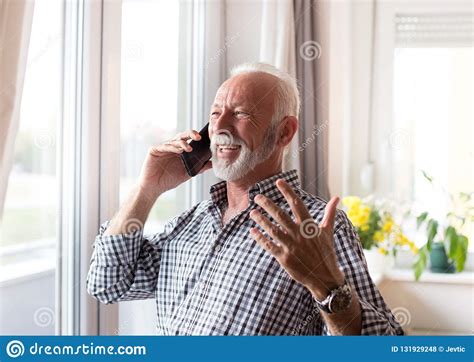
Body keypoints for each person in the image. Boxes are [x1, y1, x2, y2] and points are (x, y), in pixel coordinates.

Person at [87, 62, 403, 336]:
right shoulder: (191, 222)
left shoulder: (316, 228)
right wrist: (148, 188)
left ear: (284, 133)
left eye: (240, 113)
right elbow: (107, 282)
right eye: (214, 113)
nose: (220, 127)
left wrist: (328, 288)